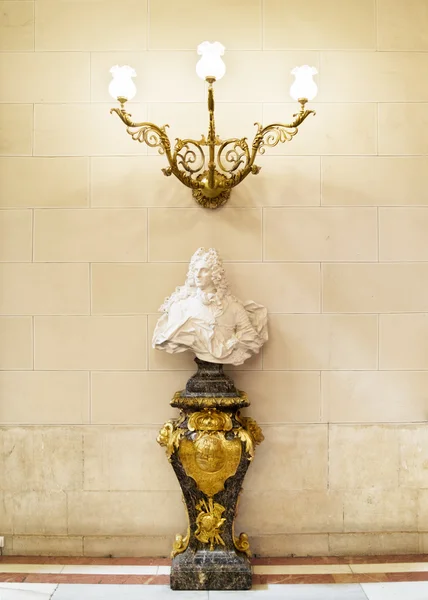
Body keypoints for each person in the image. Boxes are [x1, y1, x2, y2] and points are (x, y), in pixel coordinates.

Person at [152, 248, 268, 366]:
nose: (198, 275)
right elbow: (168, 336)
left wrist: (233, 342)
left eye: (204, 270)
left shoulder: (233, 307)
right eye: (195, 270)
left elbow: (250, 336)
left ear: (215, 274)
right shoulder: (181, 305)